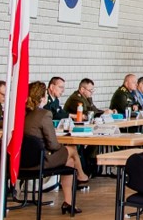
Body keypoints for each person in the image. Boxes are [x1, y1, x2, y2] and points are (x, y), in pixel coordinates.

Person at [21, 81, 90, 215]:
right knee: (71, 149)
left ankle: (69, 203)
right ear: (43, 98)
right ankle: (82, 176)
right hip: (39, 162)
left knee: (69, 162)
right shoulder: (44, 114)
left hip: (21, 162)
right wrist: (60, 146)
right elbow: (53, 144)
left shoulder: (21, 114)